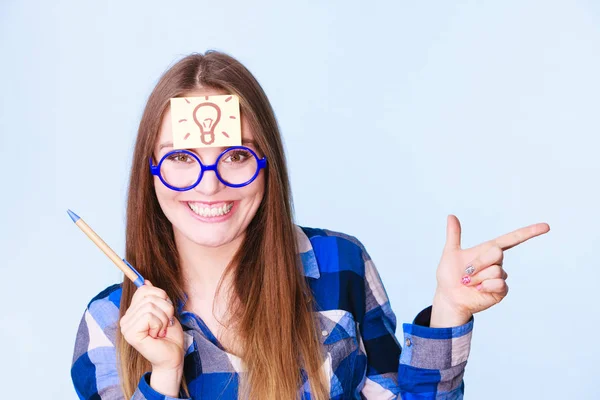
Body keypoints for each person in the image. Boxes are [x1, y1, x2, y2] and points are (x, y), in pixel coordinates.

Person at [70, 51, 549, 400]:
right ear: (150, 172)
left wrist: (448, 311)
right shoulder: (109, 324)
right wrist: (165, 374)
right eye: (180, 158)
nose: (210, 185)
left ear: (268, 164)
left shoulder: (340, 266)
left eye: (236, 156)